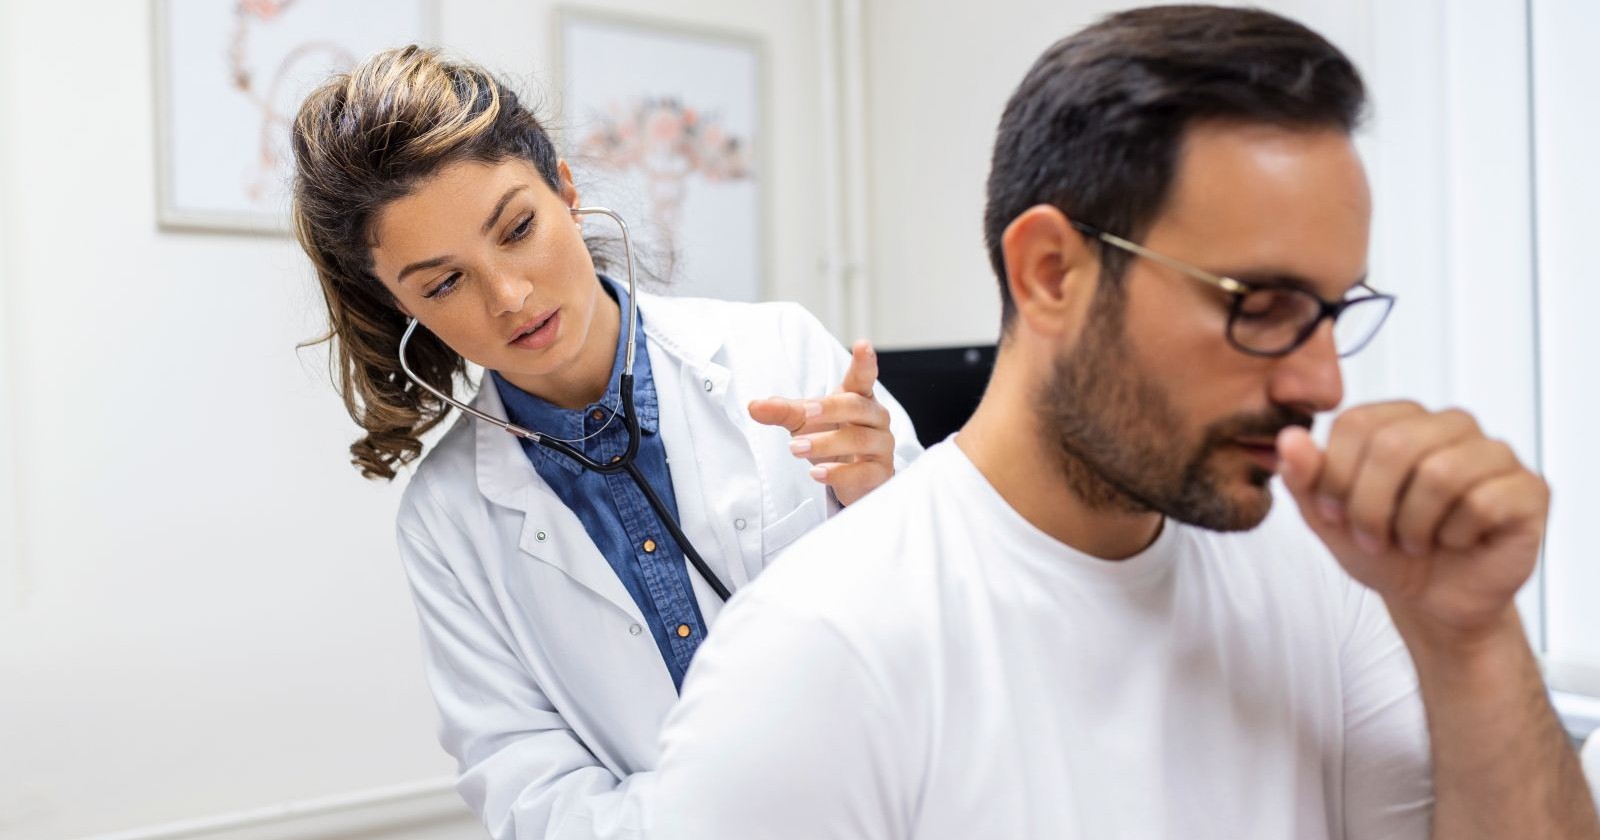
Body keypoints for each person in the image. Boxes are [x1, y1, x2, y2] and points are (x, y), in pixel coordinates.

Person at [652, 6, 1600, 838]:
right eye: (1259, 304)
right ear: (1052, 274)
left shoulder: (1328, 575)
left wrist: (1472, 638)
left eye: (1332, 311)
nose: (1322, 383)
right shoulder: (819, 659)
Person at [289, 45, 921, 840]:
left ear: (566, 189)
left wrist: (888, 503)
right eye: (445, 283)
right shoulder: (446, 522)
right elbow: (529, 786)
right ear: (396, 304)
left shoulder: (783, 354)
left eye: (517, 228)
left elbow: (954, 622)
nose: (510, 297)